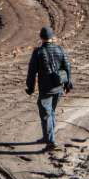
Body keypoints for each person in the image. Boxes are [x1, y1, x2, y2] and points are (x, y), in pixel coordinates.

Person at [25, 25, 72, 153]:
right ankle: (48, 137)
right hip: (58, 87)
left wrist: (30, 88)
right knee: (51, 112)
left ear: (41, 38)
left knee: (46, 113)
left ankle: (50, 141)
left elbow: (32, 72)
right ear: (52, 37)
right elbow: (67, 67)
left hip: (45, 88)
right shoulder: (60, 49)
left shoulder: (38, 52)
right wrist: (68, 85)